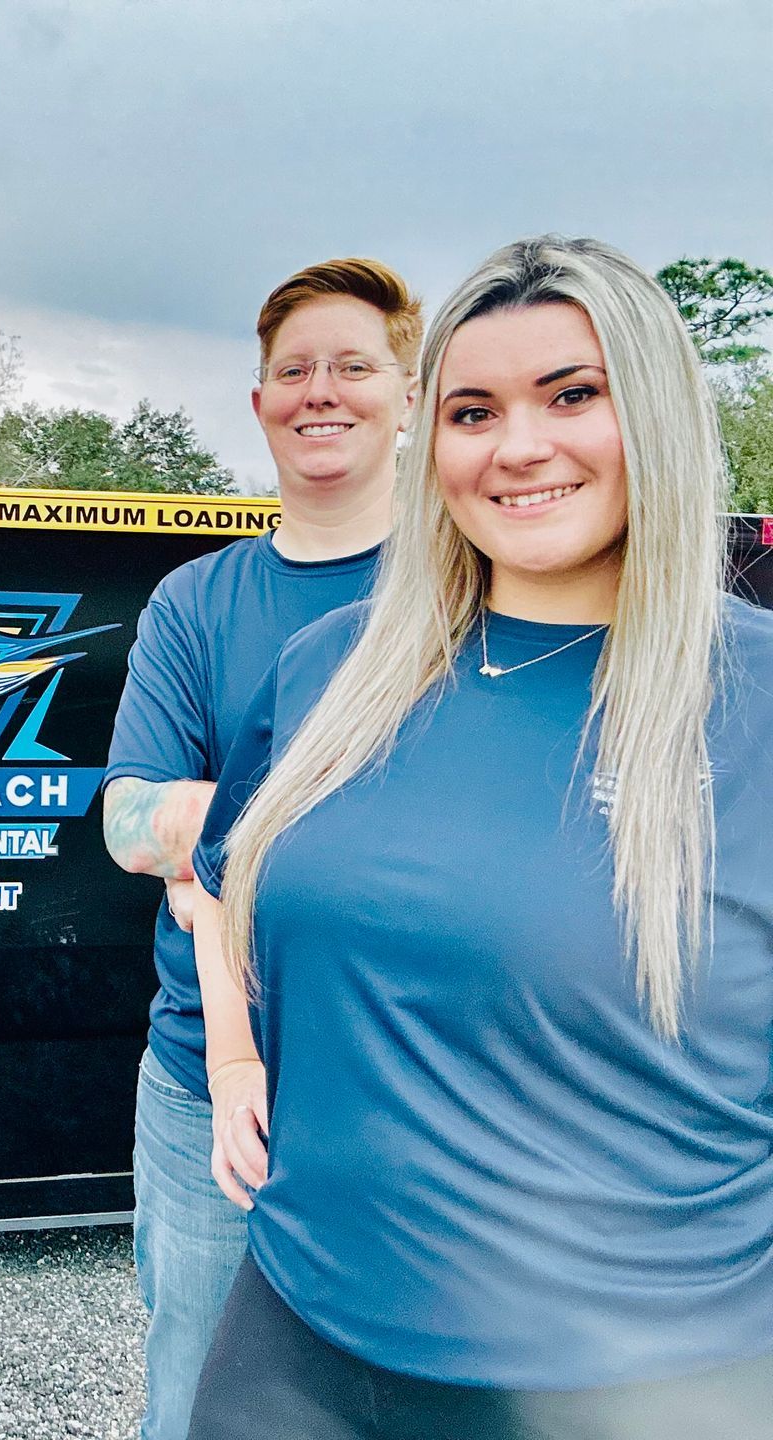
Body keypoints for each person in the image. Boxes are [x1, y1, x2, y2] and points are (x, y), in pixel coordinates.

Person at [187, 235, 773, 1439]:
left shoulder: (752, 701)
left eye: (572, 395)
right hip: (295, 1344)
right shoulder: (329, 673)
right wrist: (238, 1062)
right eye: (471, 409)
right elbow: (221, 889)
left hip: (638, 1384)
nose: (518, 446)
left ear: (654, 412)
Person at [101, 258, 421, 1440]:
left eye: (352, 365)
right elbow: (127, 819)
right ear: (260, 401)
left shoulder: (474, 592)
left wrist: (225, 837)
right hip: (203, 1087)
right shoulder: (194, 604)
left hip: (419, 1079)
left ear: (409, 392)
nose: (319, 392)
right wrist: (276, 821)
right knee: (200, 1398)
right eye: (293, 370)